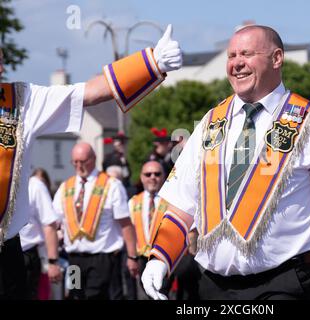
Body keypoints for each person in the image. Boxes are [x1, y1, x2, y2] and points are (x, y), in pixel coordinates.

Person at [142, 25, 310, 300]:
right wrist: (160, 258)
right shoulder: (210, 123)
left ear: (277, 58)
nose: (236, 63)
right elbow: (181, 206)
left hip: (285, 283)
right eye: (231, 56)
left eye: (247, 54)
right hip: (214, 287)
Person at [0, 24, 181, 299]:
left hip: (7, 254)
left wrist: (151, 63)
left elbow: (89, 92)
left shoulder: (21, 101)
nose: (2, 67)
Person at [52, 142, 138, 299]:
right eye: (75, 162)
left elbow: (125, 224)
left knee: (94, 296)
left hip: (101, 258)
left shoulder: (111, 185)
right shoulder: (66, 187)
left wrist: (132, 256)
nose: (79, 166)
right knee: (75, 295)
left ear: (94, 158)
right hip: (74, 259)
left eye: (83, 161)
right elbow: (54, 222)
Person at [128, 160, 172, 299]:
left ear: (164, 177)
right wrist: (131, 257)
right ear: (141, 177)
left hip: (163, 257)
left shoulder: (171, 201)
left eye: (157, 174)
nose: (152, 177)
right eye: (148, 174)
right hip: (141, 258)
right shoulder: (133, 202)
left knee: (161, 293)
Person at [19, 168, 62, 299]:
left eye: (43, 181)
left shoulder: (43, 196)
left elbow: (51, 225)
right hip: (71, 253)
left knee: (69, 289)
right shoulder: (62, 195)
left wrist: (53, 261)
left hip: (63, 256)